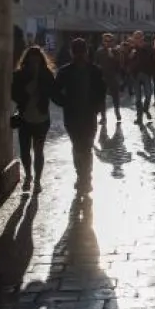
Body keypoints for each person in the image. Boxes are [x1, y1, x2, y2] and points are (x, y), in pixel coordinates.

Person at [52, 37, 105, 196]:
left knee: (83, 147)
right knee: (82, 147)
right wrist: (66, 103)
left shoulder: (91, 70)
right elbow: (102, 92)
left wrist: (65, 103)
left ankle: (84, 177)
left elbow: (101, 91)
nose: (80, 55)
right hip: (78, 115)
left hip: (82, 115)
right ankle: (83, 176)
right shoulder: (72, 71)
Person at [11, 45, 55, 193]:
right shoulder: (19, 75)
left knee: (38, 151)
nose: (35, 63)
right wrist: (30, 84)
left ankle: (37, 180)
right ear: (27, 60)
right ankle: (28, 175)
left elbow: (53, 93)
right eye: (32, 60)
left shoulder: (47, 74)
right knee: (24, 151)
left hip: (42, 118)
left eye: (37, 60)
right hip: (24, 118)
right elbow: (15, 95)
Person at [128, 30, 155, 125]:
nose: (137, 39)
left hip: (146, 74)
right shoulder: (131, 48)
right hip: (135, 75)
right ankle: (139, 117)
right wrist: (130, 57)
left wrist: (153, 72)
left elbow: (153, 59)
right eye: (135, 37)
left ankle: (145, 109)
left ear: (142, 37)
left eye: (139, 37)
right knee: (138, 98)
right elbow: (126, 61)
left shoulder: (148, 47)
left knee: (148, 94)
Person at [94, 33, 122, 124]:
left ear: (112, 42)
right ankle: (103, 117)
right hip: (102, 77)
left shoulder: (116, 51)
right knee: (102, 98)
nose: (108, 43)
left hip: (113, 77)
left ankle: (117, 111)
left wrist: (112, 57)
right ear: (103, 41)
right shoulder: (99, 52)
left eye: (110, 41)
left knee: (115, 97)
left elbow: (119, 65)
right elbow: (95, 64)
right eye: (106, 41)